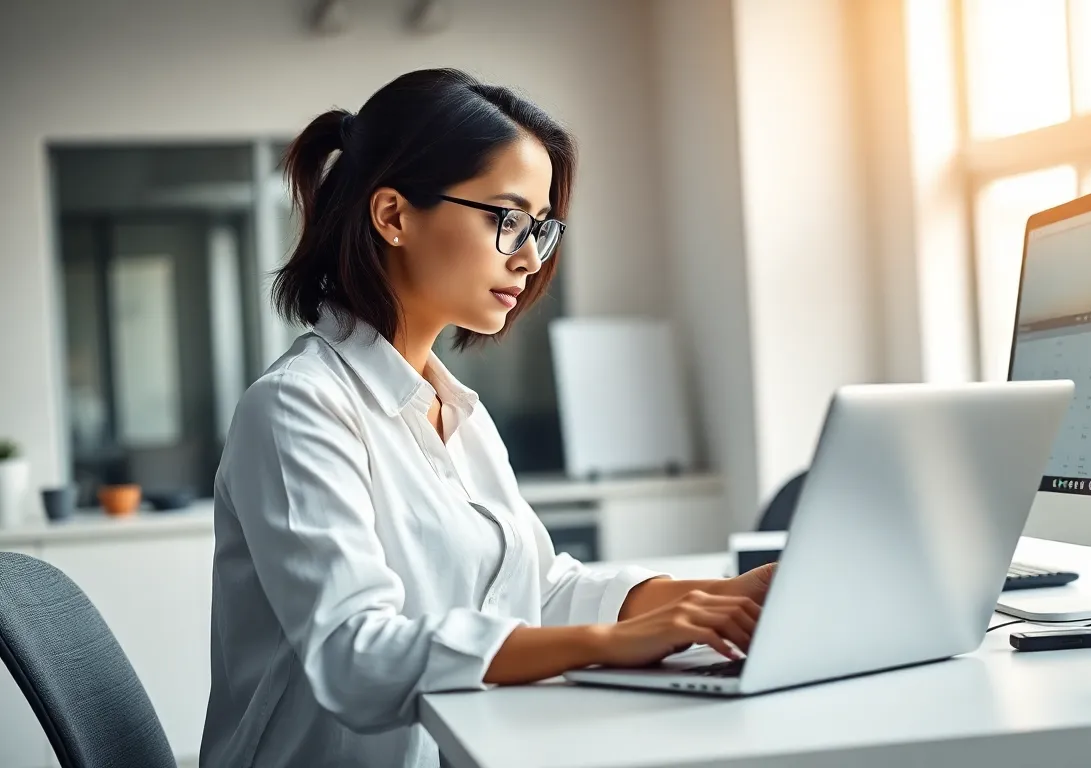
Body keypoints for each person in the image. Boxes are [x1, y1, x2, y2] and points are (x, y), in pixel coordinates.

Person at [199, 68, 775, 768]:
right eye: (507, 219)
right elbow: (355, 654)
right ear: (394, 216)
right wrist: (611, 643)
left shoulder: (456, 411)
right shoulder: (297, 407)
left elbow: (539, 586)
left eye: (539, 228)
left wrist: (718, 596)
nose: (530, 258)